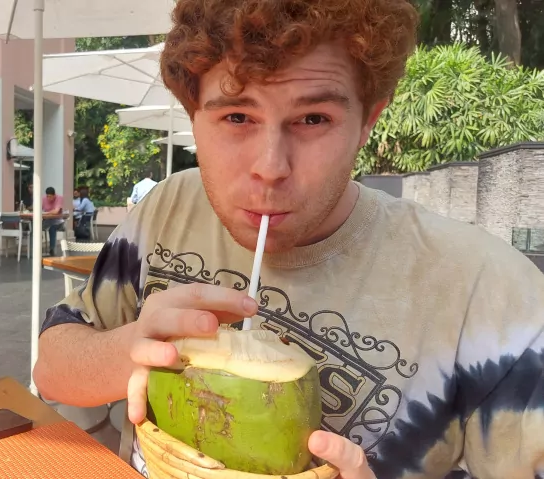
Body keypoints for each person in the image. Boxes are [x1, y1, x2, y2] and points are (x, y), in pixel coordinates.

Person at [33, 1, 544, 478]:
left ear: (368, 120)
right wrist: (132, 350)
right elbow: (52, 368)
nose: (270, 168)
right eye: (237, 116)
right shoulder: (169, 209)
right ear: (193, 115)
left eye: (313, 119)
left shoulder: (490, 298)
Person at [42, 187, 64, 256]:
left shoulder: (59, 198)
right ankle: (35, 248)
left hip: (58, 221)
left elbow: (56, 211)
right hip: (47, 220)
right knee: (37, 228)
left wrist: (46, 213)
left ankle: (52, 249)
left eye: (50, 196)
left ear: (54, 195)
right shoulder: (44, 199)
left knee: (52, 228)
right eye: (47, 196)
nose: (49, 198)